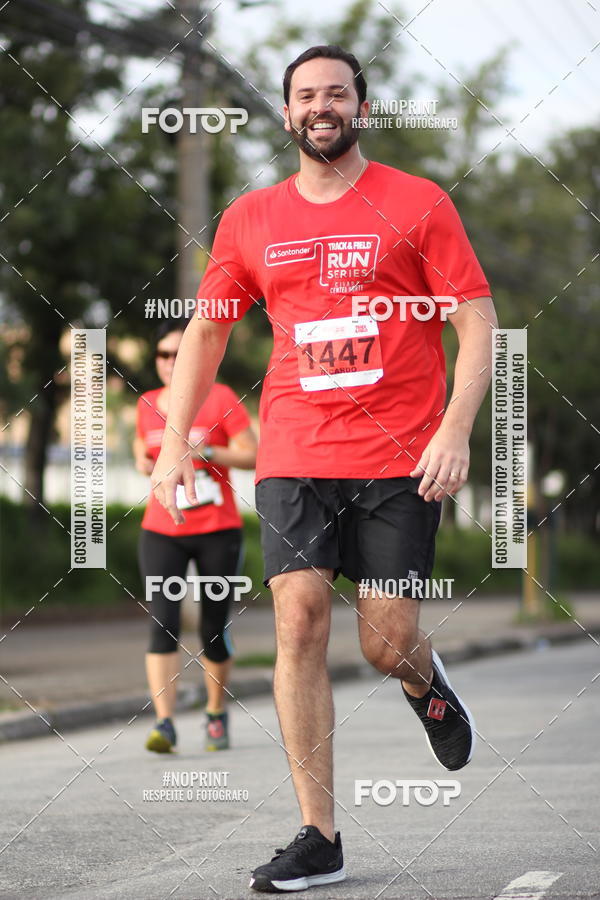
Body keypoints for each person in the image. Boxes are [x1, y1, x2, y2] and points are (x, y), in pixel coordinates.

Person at [151, 45, 498, 893]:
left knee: (385, 641)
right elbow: (208, 330)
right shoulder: (250, 218)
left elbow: (476, 319)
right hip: (295, 452)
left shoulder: (418, 202)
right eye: (305, 95)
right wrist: (174, 440)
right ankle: (319, 835)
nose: (321, 107)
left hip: (399, 456)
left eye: (336, 93)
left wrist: (456, 429)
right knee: (300, 620)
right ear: (287, 113)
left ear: (361, 108)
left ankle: (425, 682)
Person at [134, 320, 257, 753]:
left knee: (212, 628)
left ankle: (216, 713)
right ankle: (164, 724)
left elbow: (253, 454)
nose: (170, 362)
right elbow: (141, 451)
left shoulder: (220, 397)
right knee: (163, 622)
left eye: (178, 353)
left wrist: (205, 450)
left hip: (217, 531)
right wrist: (144, 462)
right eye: (163, 354)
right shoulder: (146, 403)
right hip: (162, 529)